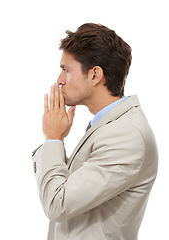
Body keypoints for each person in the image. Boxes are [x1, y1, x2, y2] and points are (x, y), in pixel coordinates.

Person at [32, 23, 158, 240]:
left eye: (66, 70)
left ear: (95, 75)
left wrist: (53, 137)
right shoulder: (109, 126)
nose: (59, 80)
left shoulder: (126, 134)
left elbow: (57, 204)